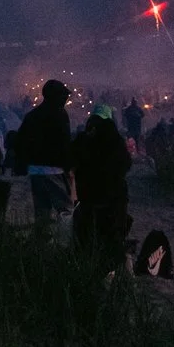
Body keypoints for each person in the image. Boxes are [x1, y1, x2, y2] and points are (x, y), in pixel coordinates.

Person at [70, 102, 132, 263]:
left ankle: (86, 264)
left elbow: (71, 160)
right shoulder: (115, 139)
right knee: (112, 234)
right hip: (113, 196)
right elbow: (125, 165)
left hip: (88, 195)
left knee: (87, 233)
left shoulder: (83, 138)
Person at [17, 80, 76, 237]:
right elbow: (64, 143)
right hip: (53, 170)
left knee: (42, 210)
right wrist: (68, 165)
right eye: (63, 96)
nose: (66, 99)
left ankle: (40, 243)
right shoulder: (60, 115)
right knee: (66, 210)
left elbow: (21, 141)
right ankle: (66, 243)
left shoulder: (32, 116)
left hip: (35, 170)